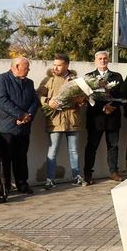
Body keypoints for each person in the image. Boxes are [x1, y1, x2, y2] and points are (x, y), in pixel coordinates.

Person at [0, 56, 40, 194]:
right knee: (5, 158)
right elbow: (2, 100)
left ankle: (22, 184)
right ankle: (5, 185)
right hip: (5, 127)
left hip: (24, 127)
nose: (29, 70)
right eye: (27, 67)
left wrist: (28, 116)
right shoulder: (0, 80)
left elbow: (35, 101)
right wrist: (19, 115)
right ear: (17, 66)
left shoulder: (29, 83)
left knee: (21, 157)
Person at [39, 54, 83, 189]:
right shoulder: (48, 79)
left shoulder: (75, 80)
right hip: (55, 120)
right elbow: (38, 95)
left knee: (74, 150)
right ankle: (50, 179)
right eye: (54, 65)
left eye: (59, 65)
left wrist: (81, 100)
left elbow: (83, 99)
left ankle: (76, 177)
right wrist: (48, 102)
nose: (55, 68)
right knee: (52, 151)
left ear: (66, 65)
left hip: (72, 119)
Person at [81, 51, 124, 184]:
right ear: (95, 61)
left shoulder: (116, 76)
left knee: (113, 146)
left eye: (105, 58)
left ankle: (113, 172)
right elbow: (87, 96)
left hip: (113, 116)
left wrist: (112, 106)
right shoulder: (89, 77)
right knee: (91, 146)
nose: (103, 60)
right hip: (96, 117)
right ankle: (88, 173)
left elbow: (121, 94)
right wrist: (102, 108)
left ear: (108, 60)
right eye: (100, 58)